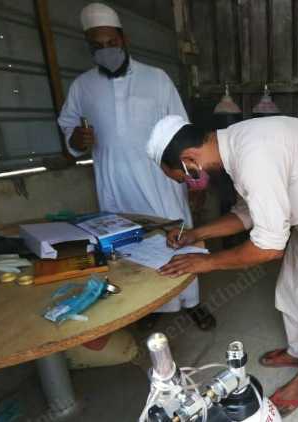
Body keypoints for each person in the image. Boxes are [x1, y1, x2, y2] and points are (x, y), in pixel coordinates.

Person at [145, 115, 298, 415]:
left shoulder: (253, 154)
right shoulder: (236, 146)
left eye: (183, 177)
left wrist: (206, 262)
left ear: (189, 159)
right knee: (293, 290)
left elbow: (269, 247)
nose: (190, 184)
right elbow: (246, 213)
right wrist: (196, 234)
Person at [57, 3, 215, 330]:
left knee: (176, 236)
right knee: (127, 244)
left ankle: (191, 301)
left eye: (111, 43)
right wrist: (77, 139)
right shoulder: (82, 86)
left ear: (123, 39)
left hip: (159, 179)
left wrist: (193, 181)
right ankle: (145, 306)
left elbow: (182, 130)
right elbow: (69, 130)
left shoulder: (156, 79)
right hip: (114, 180)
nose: (105, 51)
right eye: (97, 47)